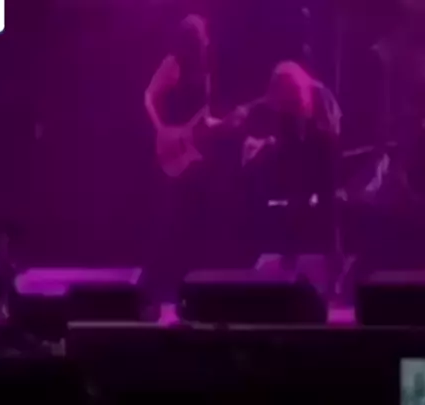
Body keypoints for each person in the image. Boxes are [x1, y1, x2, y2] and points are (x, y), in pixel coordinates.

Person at [143, 14, 225, 315]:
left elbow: (204, 116)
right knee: (170, 222)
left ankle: (191, 292)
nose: (205, 41)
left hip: (196, 152)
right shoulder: (174, 63)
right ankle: (157, 289)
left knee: (195, 222)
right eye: (200, 36)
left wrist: (223, 123)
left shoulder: (205, 70)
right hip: (174, 149)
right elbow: (148, 97)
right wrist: (162, 130)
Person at [240, 61, 344, 292]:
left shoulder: (319, 95)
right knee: (294, 210)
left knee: (329, 217)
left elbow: (331, 136)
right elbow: (288, 143)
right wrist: (267, 144)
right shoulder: (285, 108)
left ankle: (334, 275)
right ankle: (290, 267)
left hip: (323, 158)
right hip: (301, 162)